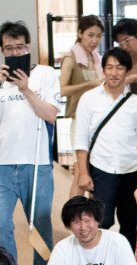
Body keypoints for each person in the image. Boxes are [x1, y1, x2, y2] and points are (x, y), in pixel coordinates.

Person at [0, 21, 58, 265]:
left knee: (41, 227)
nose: (14, 53)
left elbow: (50, 115)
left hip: (37, 163)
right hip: (2, 165)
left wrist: (25, 88)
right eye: (9, 48)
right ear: (2, 51)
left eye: (19, 47)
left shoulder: (44, 74)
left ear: (29, 46)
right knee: (1, 225)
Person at [74, 47, 137, 251]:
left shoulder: (136, 103)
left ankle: (126, 264)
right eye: (109, 67)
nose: (114, 72)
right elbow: (80, 140)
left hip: (131, 170)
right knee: (102, 221)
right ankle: (100, 261)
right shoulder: (89, 99)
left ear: (127, 71)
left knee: (129, 223)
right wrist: (83, 173)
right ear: (103, 70)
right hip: (101, 169)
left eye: (119, 68)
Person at [59, 14, 104, 199]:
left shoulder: (96, 58)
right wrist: (87, 85)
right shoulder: (71, 58)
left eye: (98, 36)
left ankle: (93, 214)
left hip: (98, 120)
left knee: (96, 172)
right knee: (80, 171)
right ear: (80, 34)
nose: (94, 40)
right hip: (79, 120)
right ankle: (74, 213)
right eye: (90, 35)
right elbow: (61, 90)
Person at [110, 18, 137, 92]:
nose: (124, 47)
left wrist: (135, 79)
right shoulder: (120, 64)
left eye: (127, 40)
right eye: (120, 43)